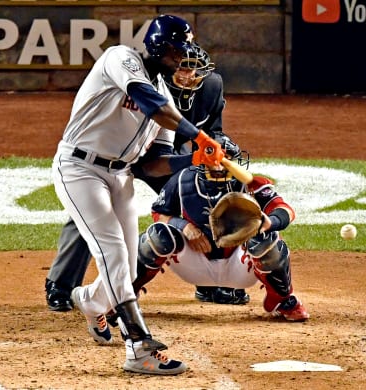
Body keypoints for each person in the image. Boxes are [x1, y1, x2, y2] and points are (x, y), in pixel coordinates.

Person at [51, 15, 224, 376]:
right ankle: (139, 346)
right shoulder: (121, 59)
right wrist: (198, 136)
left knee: (127, 268)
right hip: (79, 169)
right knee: (111, 249)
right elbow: (148, 102)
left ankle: (88, 299)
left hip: (120, 176)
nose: (183, 59)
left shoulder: (164, 96)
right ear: (160, 47)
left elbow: (152, 165)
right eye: (178, 50)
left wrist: (194, 159)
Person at [45, 44, 248, 313]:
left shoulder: (209, 87)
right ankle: (61, 284)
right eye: (182, 64)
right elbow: (157, 116)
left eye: (193, 68)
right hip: (125, 153)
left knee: (202, 198)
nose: (187, 73)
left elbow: (214, 132)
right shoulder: (148, 80)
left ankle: (209, 279)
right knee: (94, 212)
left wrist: (211, 157)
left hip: (167, 156)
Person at [131, 133, 310, 323]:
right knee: (157, 235)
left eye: (228, 160)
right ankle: (127, 294)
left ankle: (282, 300)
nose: (221, 165)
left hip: (239, 266)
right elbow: (159, 214)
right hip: (194, 263)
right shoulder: (182, 180)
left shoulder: (251, 184)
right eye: (216, 161)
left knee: (267, 238)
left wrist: (271, 222)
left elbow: (285, 210)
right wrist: (183, 226)